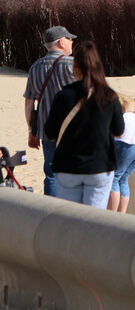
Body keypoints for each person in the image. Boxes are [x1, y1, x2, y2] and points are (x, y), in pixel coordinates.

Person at [42, 40, 124, 209]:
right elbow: (119, 131)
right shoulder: (109, 96)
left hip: (68, 166)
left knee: (71, 220)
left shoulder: (63, 96)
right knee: (93, 221)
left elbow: (49, 132)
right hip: (99, 165)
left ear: (75, 68)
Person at [24, 26, 77, 196]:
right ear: (61, 42)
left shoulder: (35, 67)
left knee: (52, 174)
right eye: (69, 39)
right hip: (74, 128)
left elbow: (29, 103)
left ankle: (52, 212)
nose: (72, 42)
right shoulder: (73, 64)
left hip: (47, 128)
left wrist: (32, 130)